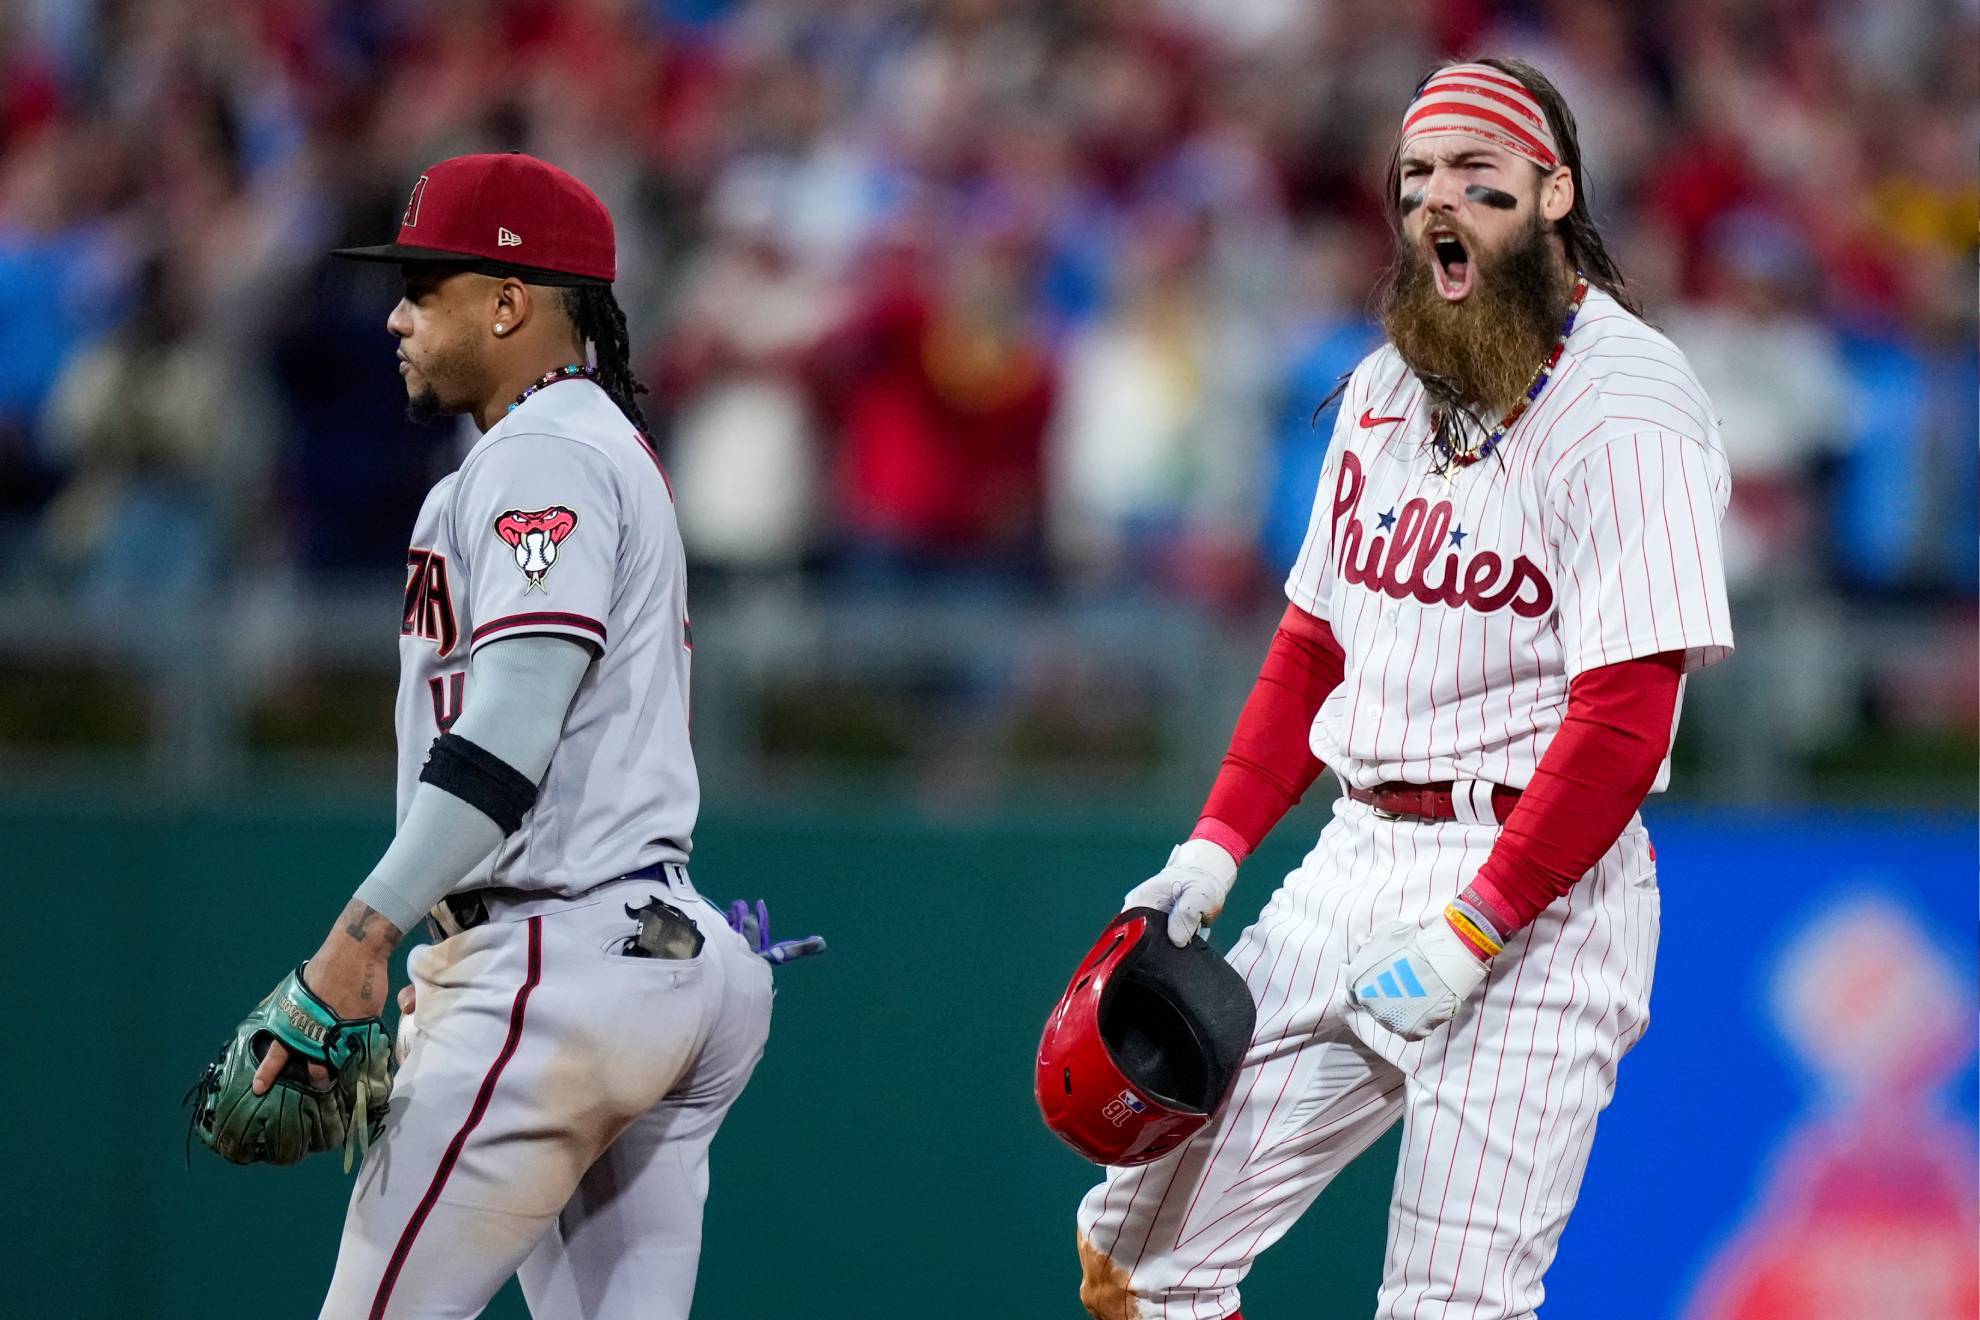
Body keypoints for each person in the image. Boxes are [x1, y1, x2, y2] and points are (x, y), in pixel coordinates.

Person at [1072, 59, 1734, 1320]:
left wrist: (1476, 927)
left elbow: (1624, 714)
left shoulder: (1630, 401)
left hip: (1540, 892)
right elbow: (1315, 642)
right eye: (1418, 178)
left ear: (1554, 196)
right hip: (1356, 852)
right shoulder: (1383, 385)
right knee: (1134, 1255)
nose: (1442, 203)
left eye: (1479, 182)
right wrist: (1216, 846)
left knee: (1451, 1307)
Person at [244, 150, 815, 1319]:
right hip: (653, 954)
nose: (396, 315)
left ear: (510, 303)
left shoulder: (543, 453)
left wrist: (356, 942)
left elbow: (507, 736)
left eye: (424, 286)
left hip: (556, 967)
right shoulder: (588, 445)